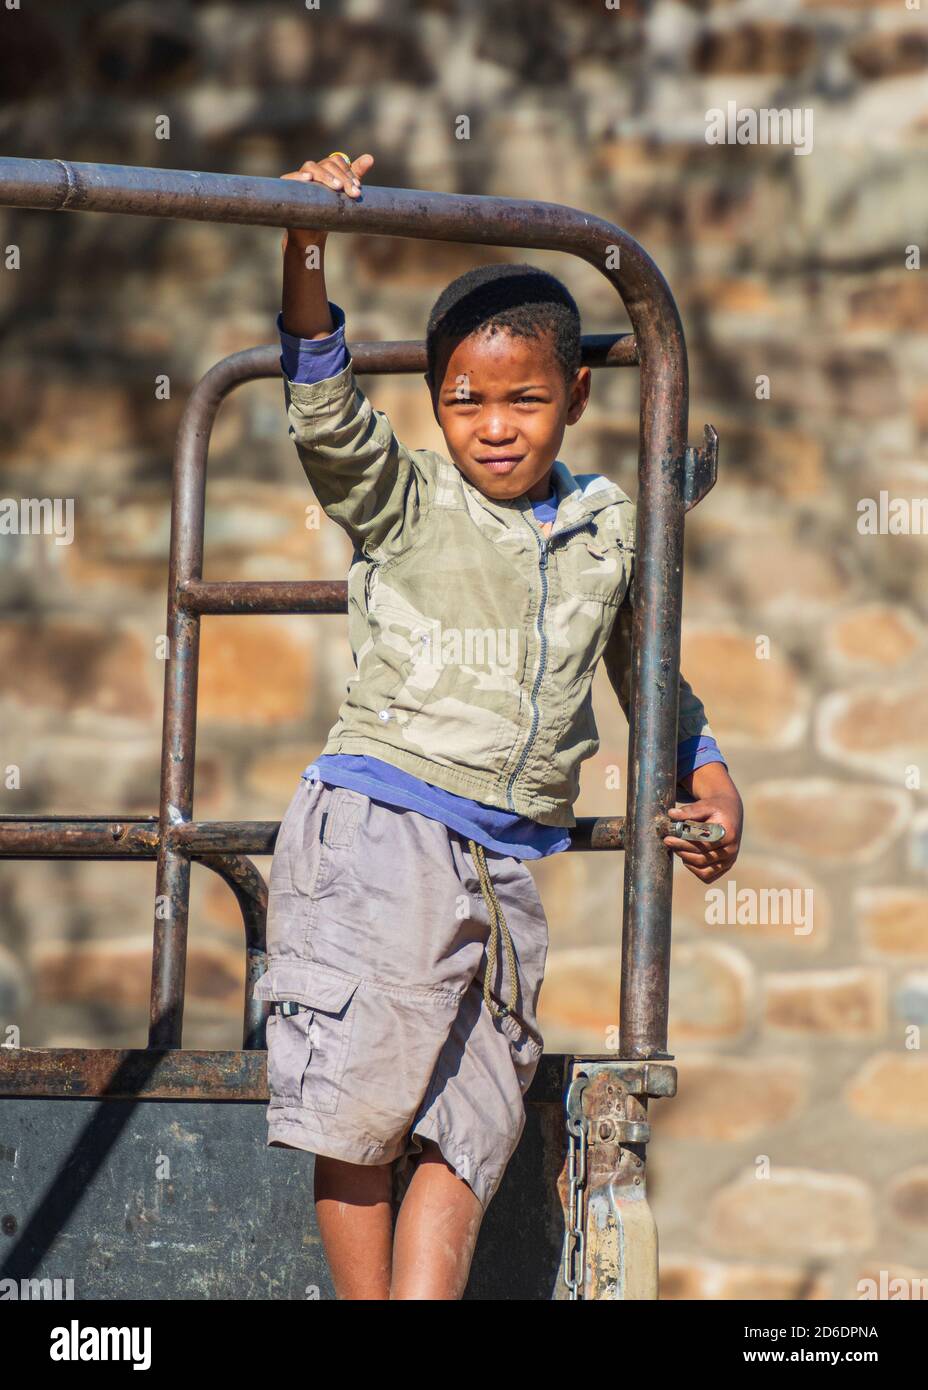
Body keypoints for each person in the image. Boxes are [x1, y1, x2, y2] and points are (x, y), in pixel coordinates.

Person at [254, 152, 744, 1300]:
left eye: (523, 398)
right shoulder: (408, 499)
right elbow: (324, 407)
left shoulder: (606, 528)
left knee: (472, 1125)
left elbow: (651, 676)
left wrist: (708, 774)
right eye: (463, 401)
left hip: (503, 872)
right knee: (362, 1108)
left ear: (574, 397)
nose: (492, 426)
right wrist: (304, 241)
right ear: (435, 406)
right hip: (382, 840)